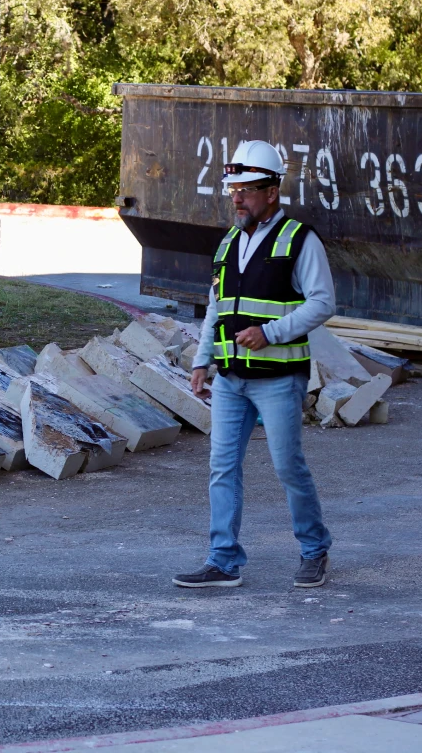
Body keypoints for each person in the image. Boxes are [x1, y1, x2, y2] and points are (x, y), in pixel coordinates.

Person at [174, 140, 334, 590]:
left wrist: (271, 332)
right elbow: (216, 308)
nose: (237, 197)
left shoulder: (299, 240)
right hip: (229, 380)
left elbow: (324, 302)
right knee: (222, 467)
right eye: (232, 189)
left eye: (245, 188)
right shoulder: (227, 243)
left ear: (272, 191)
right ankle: (223, 560)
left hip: (279, 378)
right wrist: (202, 360)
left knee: (287, 467)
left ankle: (314, 549)